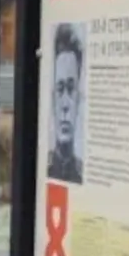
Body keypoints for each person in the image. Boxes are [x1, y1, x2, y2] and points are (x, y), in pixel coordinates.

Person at [47, 25, 84, 184]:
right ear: (53, 99)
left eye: (71, 89)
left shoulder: (82, 174)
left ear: (79, 99)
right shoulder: (45, 169)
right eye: (60, 89)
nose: (65, 105)